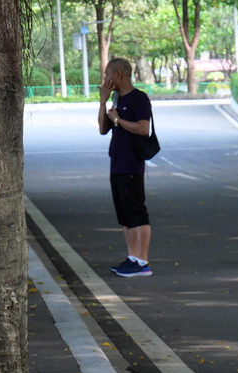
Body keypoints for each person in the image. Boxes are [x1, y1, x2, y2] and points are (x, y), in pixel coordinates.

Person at [98, 58, 153, 278]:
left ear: (118, 74)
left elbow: (143, 128)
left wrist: (119, 120)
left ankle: (142, 261)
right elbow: (103, 129)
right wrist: (103, 103)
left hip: (132, 164)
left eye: (107, 74)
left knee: (137, 212)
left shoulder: (139, 98)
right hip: (117, 163)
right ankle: (132, 257)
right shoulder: (115, 98)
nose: (105, 79)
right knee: (124, 214)